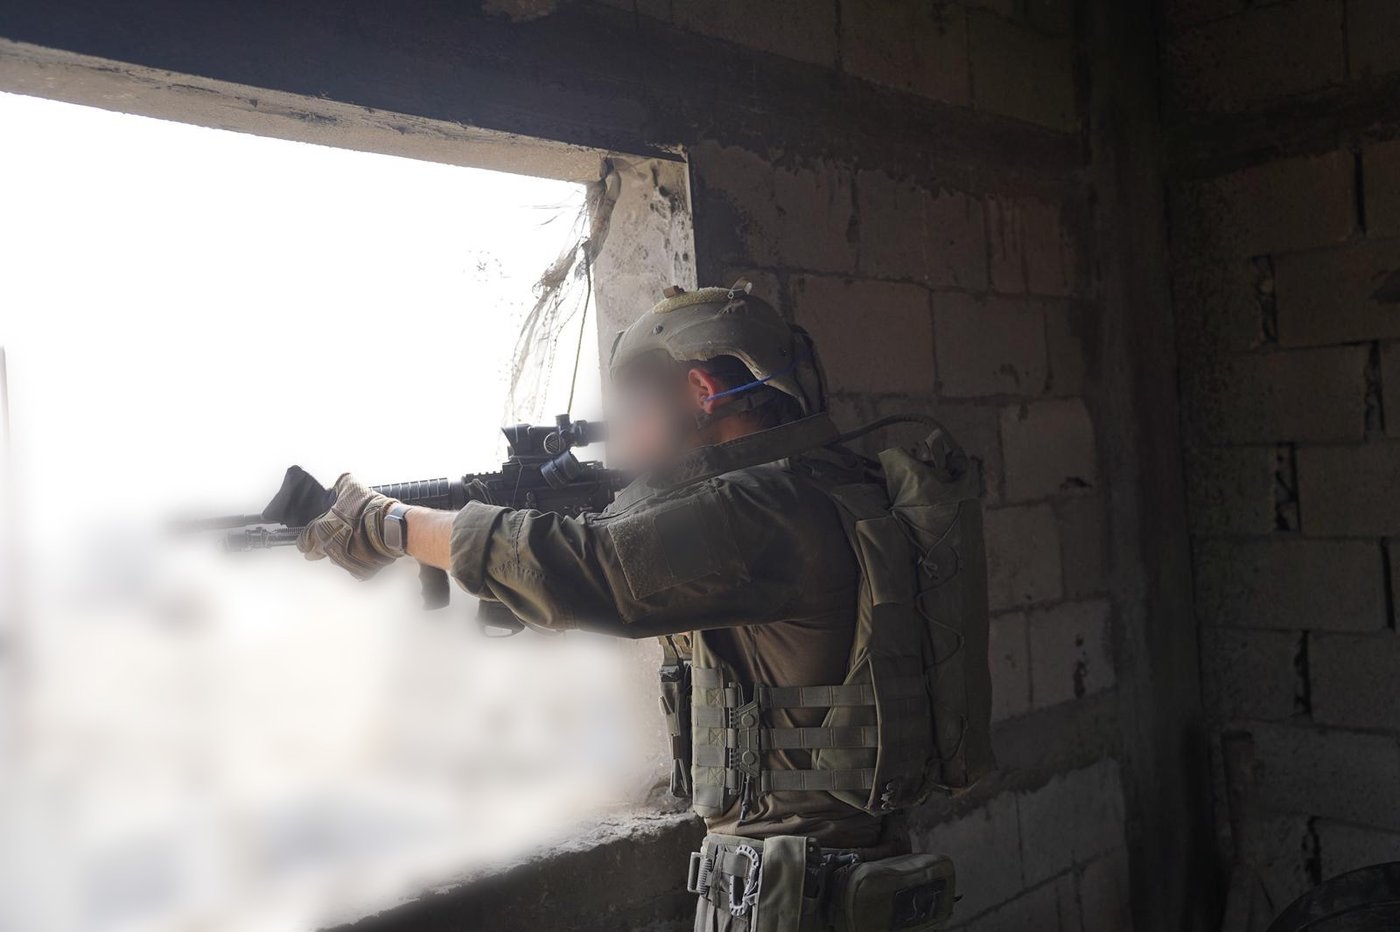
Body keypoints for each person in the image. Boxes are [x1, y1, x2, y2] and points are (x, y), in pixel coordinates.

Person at [296, 280, 989, 931]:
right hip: (847, 879)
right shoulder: (836, 488)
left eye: (634, 412)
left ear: (701, 389)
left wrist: (391, 525)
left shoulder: (763, 510)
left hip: (796, 899)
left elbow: (600, 573)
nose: (626, 437)